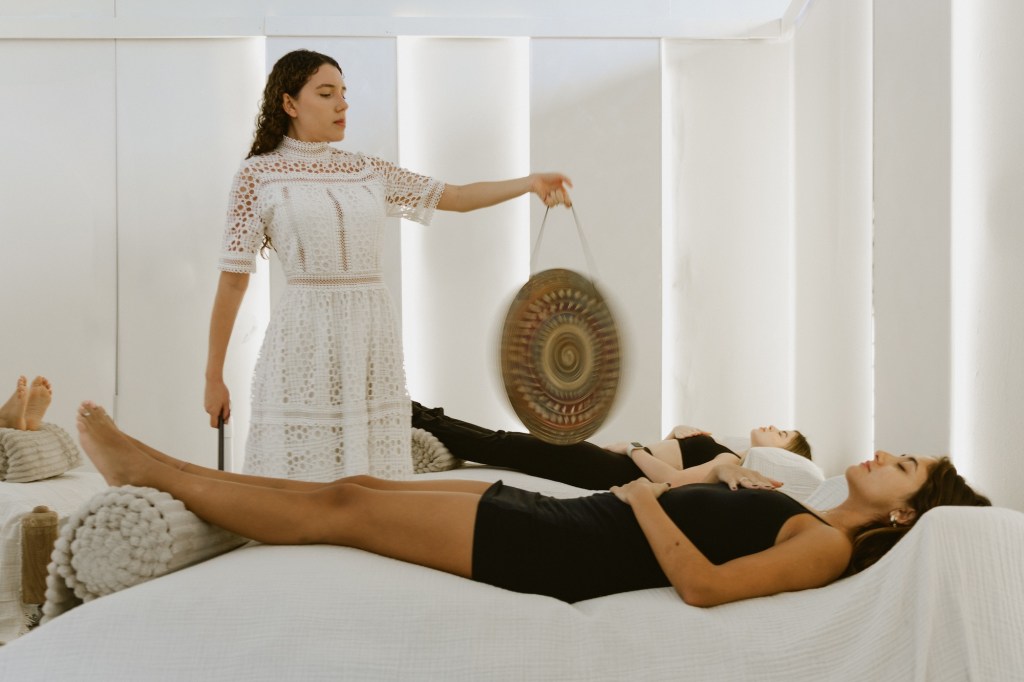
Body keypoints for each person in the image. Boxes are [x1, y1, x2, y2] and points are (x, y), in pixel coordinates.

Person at [76, 399, 990, 605]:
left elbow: (707, 589)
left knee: (345, 507)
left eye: (902, 465)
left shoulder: (826, 547)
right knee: (354, 491)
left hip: (564, 550)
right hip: (562, 524)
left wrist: (641, 504)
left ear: (905, 515)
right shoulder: (800, 505)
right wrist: (706, 480)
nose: (880, 456)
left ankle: (151, 470)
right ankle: (161, 466)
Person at [204, 49, 573, 482]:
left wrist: (529, 183)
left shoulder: (366, 170)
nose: (342, 104)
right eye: (326, 94)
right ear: (289, 104)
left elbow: (454, 197)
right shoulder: (257, 176)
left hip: (370, 333)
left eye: (344, 93)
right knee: (302, 477)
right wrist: (214, 377)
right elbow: (232, 283)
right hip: (302, 337)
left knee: (372, 480)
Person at [412, 401, 812, 490]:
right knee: (510, 444)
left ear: (781, 455)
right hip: (610, 463)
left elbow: (672, 480)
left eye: (782, 434)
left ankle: (419, 416)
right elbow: (673, 450)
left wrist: (633, 448)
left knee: (508, 445)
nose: (773, 427)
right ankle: (425, 417)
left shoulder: (731, 460)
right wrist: (679, 430)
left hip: (612, 471)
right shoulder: (724, 446)